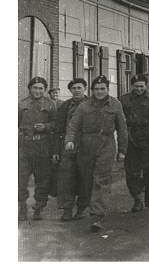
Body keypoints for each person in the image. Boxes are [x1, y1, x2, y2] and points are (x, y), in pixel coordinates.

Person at [65, 75, 128, 232]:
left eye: (103, 89)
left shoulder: (115, 105)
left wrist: (122, 150)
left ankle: (97, 216)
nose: (99, 92)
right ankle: (86, 207)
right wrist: (69, 140)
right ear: (92, 90)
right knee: (86, 180)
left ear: (107, 89)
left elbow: (122, 129)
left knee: (101, 180)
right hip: (86, 146)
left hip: (106, 145)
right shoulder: (84, 106)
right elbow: (73, 125)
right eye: (96, 89)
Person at [18, 77, 57, 221]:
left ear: (45, 90)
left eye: (41, 88)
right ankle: (22, 207)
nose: (38, 91)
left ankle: (39, 207)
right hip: (25, 147)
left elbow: (56, 124)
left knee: (42, 179)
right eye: (35, 88)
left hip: (43, 146)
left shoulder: (51, 104)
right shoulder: (21, 104)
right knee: (20, 179)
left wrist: (46, 127)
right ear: (30, 88)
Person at [120, 74, 149, 212]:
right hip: (131, 139)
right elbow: (121, 120)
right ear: (132, 86)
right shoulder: (124, 99)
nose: (139, 89)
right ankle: (137, 198)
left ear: (146, 86)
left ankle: (147, 190)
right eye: (136, 86)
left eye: (141, 86)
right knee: (132, 172)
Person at [53, 78, 88, 221]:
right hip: (67, 147)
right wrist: (56, 150)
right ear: (70, 90)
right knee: (66, 179)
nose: (77, 90)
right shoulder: (65, 106)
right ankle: (67, 210)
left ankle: (81, 209)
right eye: (74, 88)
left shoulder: (92, 104)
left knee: (85, 178)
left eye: (79, 87)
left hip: (86, 146)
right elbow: (58, 129)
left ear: (85, 88)